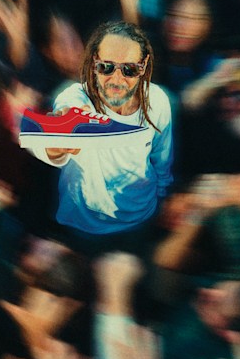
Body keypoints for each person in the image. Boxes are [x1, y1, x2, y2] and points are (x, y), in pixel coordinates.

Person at [28, 21, 174, 255]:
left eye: (75, 41)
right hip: (75, 232)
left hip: (133, 232)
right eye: (107, 67)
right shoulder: (65, 100)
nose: (72, 49)